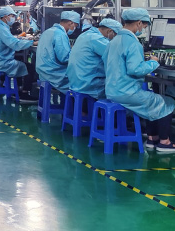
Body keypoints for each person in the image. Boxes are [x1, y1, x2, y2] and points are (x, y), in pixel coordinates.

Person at [105, 8, 175, 153]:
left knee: (151, 99)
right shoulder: (132, 43)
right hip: (127, 93)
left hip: (112, 90)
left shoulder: (114, 40)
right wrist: (153, 62)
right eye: (143, 26)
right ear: (138, 23)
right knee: (167, 102)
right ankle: (164, 142)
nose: (143, 29)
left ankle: (152, 138)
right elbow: (135, 70)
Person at [67, 18, 122, 100]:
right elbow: (116, 56)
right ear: (109, 31)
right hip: (89, 86)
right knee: (121, 90)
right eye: (116, 35)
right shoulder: (98, 39)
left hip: (76, 83)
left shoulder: (85, 35)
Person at [35, 10, 80, 93]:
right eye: (75, 26)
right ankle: (71, 101)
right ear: (70, 23)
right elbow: (64, 58)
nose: (75, 29)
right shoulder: (60, 35)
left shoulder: (48, 31)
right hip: (54, 74)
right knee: (81, 81)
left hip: (43, 72)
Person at [0, 6, 35, 78]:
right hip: (2, 63)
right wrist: (32, 42)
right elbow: (15, 44)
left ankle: (19, 84)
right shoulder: (2, 29)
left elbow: (10, 39)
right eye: (12, 16)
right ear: (5, 17)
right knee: (29, 67)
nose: (13, 18)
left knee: (20, 61)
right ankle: (24, 86)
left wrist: (20, 39)